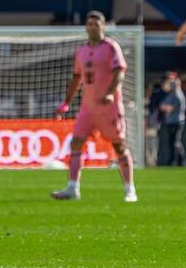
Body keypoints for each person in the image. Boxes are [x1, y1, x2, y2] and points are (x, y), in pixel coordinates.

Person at [52, 11, 138, 202]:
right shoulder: (82, 50)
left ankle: (130, 189)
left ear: (103, 26)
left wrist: (109, 92)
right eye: (89, 24)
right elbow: (76, 78)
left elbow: (119, 72)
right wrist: (66, 103)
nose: (92, 27)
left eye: (96, 24)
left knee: (119, 145)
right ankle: (73, 188)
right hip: (88, 108)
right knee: (76, 143)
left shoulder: (110, 47)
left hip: (109, 108)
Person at [158, 72, 186, 166]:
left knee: (176, 142)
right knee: (173, 142)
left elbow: (171, 108)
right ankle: (176, 161)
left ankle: (178, 161)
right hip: (170, 121)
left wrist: (166, 108)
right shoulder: (171, 94)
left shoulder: (178, 95)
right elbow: (162, 105)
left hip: (177, 121)